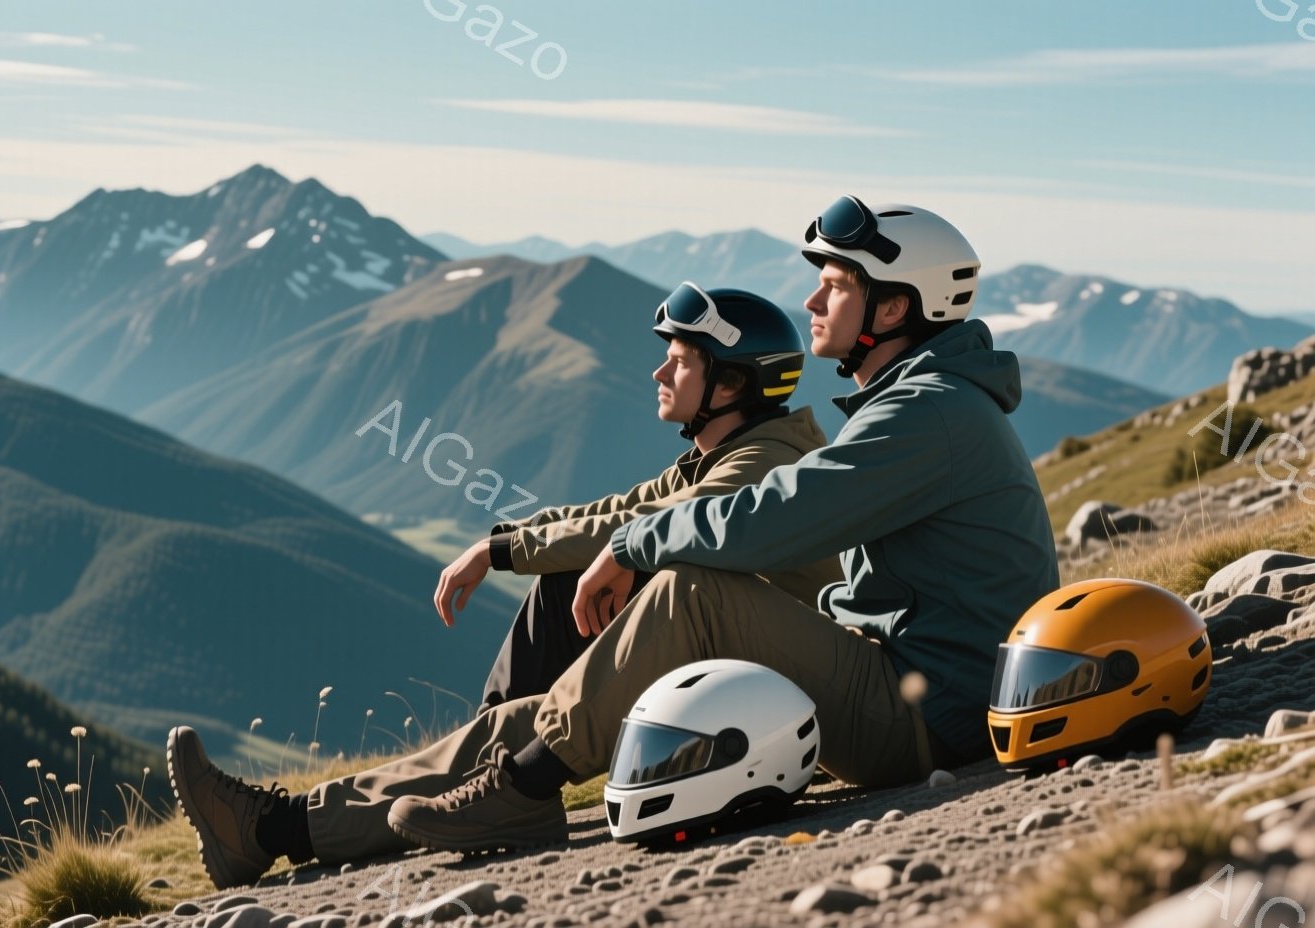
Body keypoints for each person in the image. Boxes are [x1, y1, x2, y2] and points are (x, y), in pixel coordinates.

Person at [167, 197, 1061, 887]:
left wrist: (636, 551)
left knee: (690, 589)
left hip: (928, 717)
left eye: (836, 282)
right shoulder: (917, 405)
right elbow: (648, 506)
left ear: (895, 304)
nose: (812, 296)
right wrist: (529, 544)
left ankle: (520, 795)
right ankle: (278, 830)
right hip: (885, 676)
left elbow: (780, 511)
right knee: (527, 722)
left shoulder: (930, 414)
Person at [436, 283, 841, 712]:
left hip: (797, 687)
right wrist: (507, 537)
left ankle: (491, 749)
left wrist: (502, 553)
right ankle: (495, 742)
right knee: (579, 578)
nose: (660, 373)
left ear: (731, 383)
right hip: (753, 666)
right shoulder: (724, 457)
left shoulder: (763, 466)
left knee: (565, 585)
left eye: (680, 361)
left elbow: (639, 525)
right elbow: (616, 510)